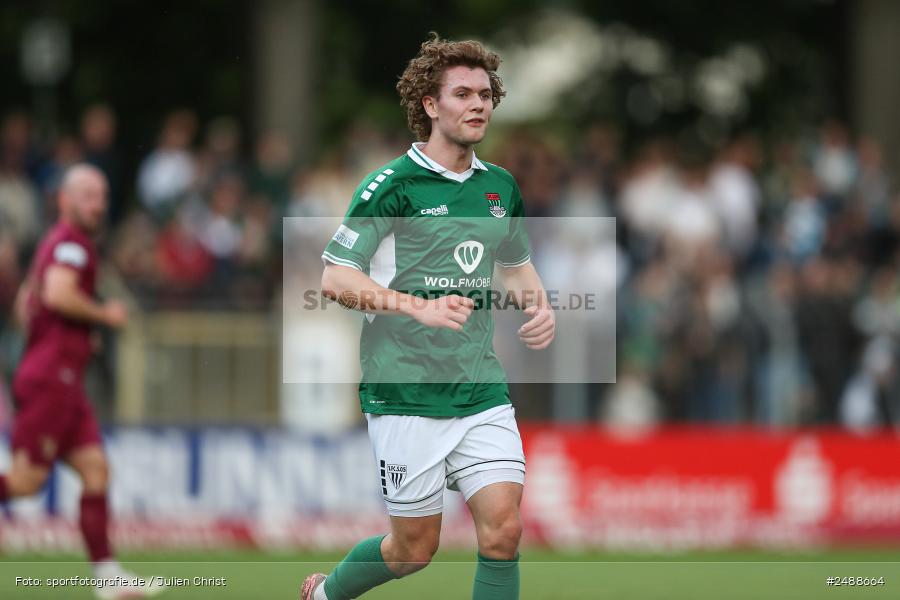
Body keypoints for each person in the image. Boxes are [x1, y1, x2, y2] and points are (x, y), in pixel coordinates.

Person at [302, 33, 555, 600]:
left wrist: (539, 306)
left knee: (504, 529)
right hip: (405, 390)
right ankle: (325, 595)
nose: (478, 105)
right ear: (429, 105)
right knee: (413, 550)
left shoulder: (499, 187)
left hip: (479, 385)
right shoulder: (390, 186)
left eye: (485, 94)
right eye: (462, 93)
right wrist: (419, 306)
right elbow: (335, 279)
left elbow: (516, 267)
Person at [0, 165, 165, 599]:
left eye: (103, 196)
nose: (99, 205)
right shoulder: (71, 244)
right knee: (25, 482)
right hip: (51, 381)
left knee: (95, 470)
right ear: (64, 200)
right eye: (89, 195)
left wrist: (71, 337)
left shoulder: (53, 245)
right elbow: (56, 294)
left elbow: (28, 305)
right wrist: (104, 315)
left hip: (62, 379)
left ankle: (108, 579)